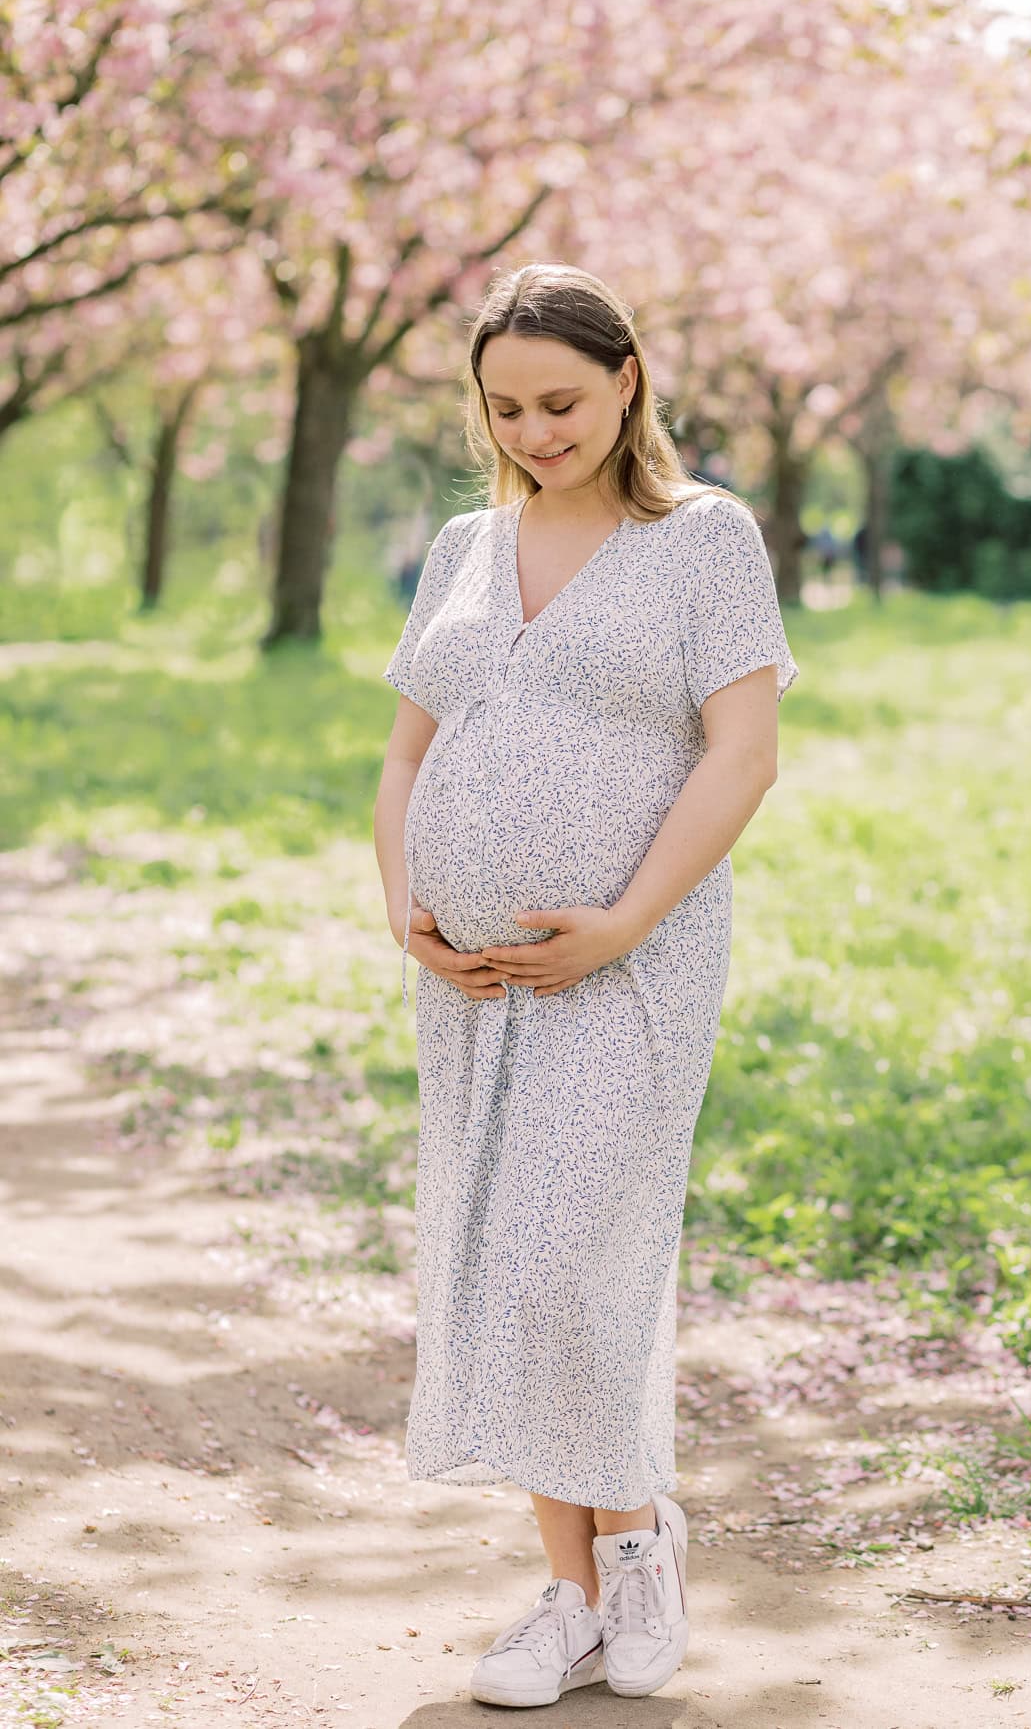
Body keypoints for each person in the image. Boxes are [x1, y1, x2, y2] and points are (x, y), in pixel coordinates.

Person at [372, 262, 800, 1709]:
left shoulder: (701, 541)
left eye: (559, 401)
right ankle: (570, 1594)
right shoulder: (460, 545)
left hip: (631, 969)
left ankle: (632, 1548)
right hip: (471, 980)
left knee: (569, 1259)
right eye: (504, 409)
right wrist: (405, 908)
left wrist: (620, 922)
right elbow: (407, 755)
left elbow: (742, 754)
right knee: (501, 1265)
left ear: (627, 381)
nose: (535, 432)